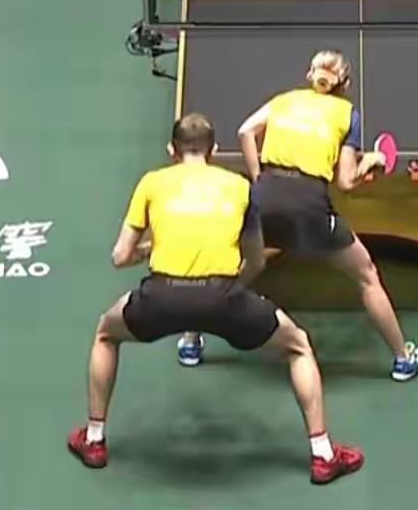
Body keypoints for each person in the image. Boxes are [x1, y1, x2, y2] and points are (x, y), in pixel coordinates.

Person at [66, 112, 364, 486]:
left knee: (106, 333)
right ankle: (323, 455)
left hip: (161, 296)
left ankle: (94, 440)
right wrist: (221, 290)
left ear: (172, 150)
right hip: (225, 298)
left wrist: (150, 248)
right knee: (299, 346)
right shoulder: (239, 186)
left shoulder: (151, 183)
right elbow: (256, 261)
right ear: (215, 150)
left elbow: (120, 257)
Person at [176, 51, 418, 383]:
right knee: (367, 275)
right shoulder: (348, 115)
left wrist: (259, 178)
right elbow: (346, 182)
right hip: (310, 206)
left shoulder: (284, 100)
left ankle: (191, 340)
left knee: (238, 266)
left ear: (310, 75)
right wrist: (372, 160)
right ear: (345, 83)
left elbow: (245, 131)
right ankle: (403, 359)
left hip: (264, 197)